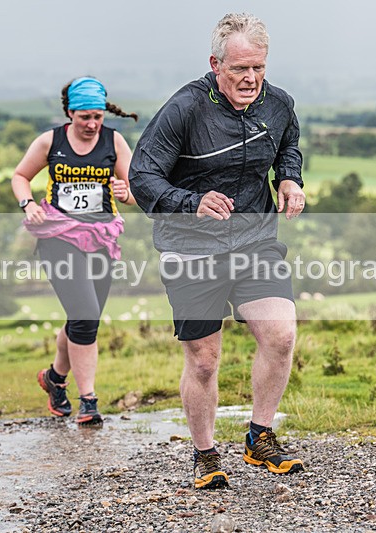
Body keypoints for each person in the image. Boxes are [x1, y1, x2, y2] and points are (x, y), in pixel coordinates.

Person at [129, 13, 306, 488]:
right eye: (239, 70)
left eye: (259, 69)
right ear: (215, 64)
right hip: (190, 248)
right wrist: (192, 202)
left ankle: (259, 436)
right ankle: (205, 454)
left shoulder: (279, 104)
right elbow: (141, 178)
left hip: (254, 240)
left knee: (280, 335)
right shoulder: (184, 109)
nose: (251, 80)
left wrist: (290, 178)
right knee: (204, 359)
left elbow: (288, 144)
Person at [12, 77, 137, 427]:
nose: (92, 125)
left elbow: (135, 190)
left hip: (101, 236)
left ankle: (54, 377)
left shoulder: (115, 142)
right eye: (84, 117)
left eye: (97, 117)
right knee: (85, 315)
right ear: (70, 113)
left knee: (85, 316)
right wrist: (27, 203)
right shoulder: (50, 141)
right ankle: (88, 401)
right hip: (58, 236)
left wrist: (124, 191)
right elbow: (20, 176)